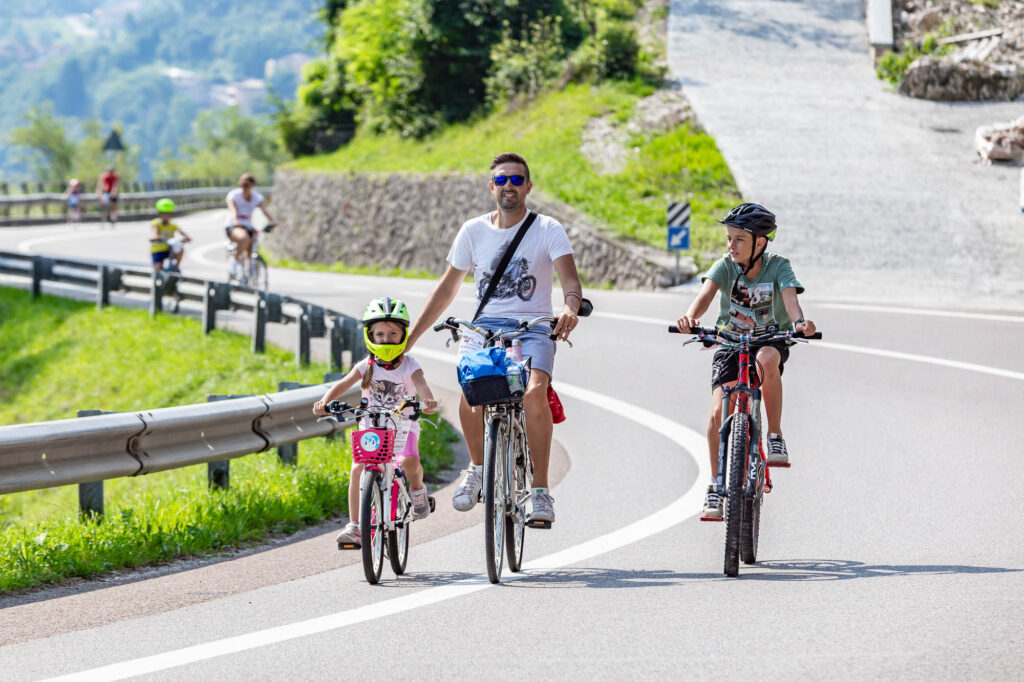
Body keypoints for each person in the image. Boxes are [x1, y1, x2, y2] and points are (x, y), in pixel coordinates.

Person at [405, 152, 584, 525]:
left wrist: (569, 308)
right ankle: (476, 469)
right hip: (484, 328)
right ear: (491, 187)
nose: (509, 186)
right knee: (471, 389)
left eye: (517, 180)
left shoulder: (547, 228)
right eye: (502, 180)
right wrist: (410, 340)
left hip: (533, 326)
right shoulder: (472, 231)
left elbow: (570, 281)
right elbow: (446, 289)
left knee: (534, 392)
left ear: (528, 187)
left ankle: (540, 491)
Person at [674, 202, 816, 521]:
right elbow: (704, 297)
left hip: (769, 339)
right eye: (729, 238)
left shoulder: (778, 267)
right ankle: (715, 487)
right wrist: (690, 317)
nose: (731, 245)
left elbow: (791, 299)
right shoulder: (724, 266)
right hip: (730, 342)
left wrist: (800, 323)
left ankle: (774, 436)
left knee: (766, 360)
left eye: (739, 239)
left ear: (760, 242)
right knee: (717, 413)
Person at [314, 297, 439, 547]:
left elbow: (421, 384)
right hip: (371, 426)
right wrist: (325, 401)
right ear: (370, 336)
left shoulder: (409, 365)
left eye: (392, 333)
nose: (386, 339)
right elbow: (343, 383)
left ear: (403, 335)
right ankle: (355, 525)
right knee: (358, 469)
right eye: (379, 334)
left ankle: (417, 490)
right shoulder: (366, 366)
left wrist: (428, 400)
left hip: (403, 426)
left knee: (408, 460)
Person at [225, 172, 275, 279]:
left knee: (252, 247)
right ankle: (233, 266)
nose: (244, 187)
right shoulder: (234, 195)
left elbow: (265, 211)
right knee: (244, 238)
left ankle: (249, 274)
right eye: (242, 185)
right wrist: (235, 221)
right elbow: (232, 210)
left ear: (252, 185)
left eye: (246, 185)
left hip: (248, 226)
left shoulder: (256, 197)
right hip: (234, 226)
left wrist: (273, 221)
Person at [150, 198, 192, 272]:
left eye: (168, 213)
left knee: (180, 249)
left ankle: (176, 267)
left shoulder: (172, 224)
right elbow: (155, 231)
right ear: (159, 214)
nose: (166, 216)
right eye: (164, 213)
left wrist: (187, 237)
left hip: (168, 249)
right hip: (158, 250)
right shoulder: (156, 223)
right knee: (158, 268)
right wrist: (156, 236)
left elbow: (181, 231)